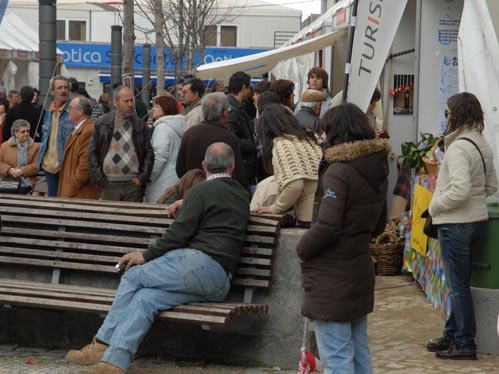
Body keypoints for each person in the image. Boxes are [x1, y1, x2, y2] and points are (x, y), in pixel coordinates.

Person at [64, 142, 250, 374]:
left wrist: (145, 254)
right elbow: (220, 202)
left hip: (200, 264)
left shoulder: (200, 192)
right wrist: (187, 201)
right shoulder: (242, 194)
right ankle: (114, 363)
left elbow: (177, 235)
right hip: (220, 282)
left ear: (204, 165)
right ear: (232, 168)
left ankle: (100, 344)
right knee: (146, 299)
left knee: (133, 276)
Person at [296, 103, 390, 374]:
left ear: (336, 133)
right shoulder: (377, 166)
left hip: (332, 276)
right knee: (359, 353)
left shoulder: (339, 170)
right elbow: (379, 223)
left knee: (337, 358)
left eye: (325, 131)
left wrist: (301, 248)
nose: (322, 137)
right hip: (359, 269)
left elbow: (327, 225)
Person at [426, 92, 498, 360]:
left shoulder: (457, 148)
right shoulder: (482, 144)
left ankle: (465, 343)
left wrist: (433, 208)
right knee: (461, 284)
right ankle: (452, 335)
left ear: (457, 114)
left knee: (458, 288)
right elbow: (491, 186)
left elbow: (460, 190)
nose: (445, 117)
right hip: (477, 221)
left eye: (447, 113)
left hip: (456, 224)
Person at [254, 104, 322, 226]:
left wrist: (274, 208)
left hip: (308, 215)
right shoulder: (310, 137)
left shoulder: (282, 144)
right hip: (326, 208)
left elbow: (295, 185)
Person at [88, 85, 154, 202]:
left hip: (133, 185)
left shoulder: (140, 125)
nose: (130, 105)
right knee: (109, 219)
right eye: (126, 101)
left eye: (131, 100)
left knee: (131, 219)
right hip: (109, 183)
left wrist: (142, 178)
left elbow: (149, 153)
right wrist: (100, 179)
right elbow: (92, 153)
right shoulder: (102, 123)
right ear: (115, 102)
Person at [176, 92, 247, 188]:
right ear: (225, 114)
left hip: (191, 189)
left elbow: (180, 169)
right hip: (221, 192)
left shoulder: (189, 134)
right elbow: (238, 174)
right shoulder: (229, 138)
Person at [144, 94, 186, 203]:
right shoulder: (178, 126)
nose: (153, 109)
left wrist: (149, 178)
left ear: (166, 108)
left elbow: (160, 157)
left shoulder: (163, 128)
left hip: (162, 182)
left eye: (157, 106)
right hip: (175, 178)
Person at [37, 76, 73, 197]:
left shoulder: (73, 111)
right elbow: (45, 137)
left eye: (66, 87)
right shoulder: (49, 111)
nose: (63, 90)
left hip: (65, 167)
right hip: (48, 167)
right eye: (59, 88)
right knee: (53, 202)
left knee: (65, 204)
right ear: (52, 91)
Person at [57, 97, 99, 199]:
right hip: (75, 192)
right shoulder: (80, 129)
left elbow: (85, 166)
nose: (68, 111)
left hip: (79, 194)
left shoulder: (88, 131)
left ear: (80, 111)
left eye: (70, 108)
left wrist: (72, 187)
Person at [227, 71, 257, 188]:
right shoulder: (234, 110)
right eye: (249, 88)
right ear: (244, 87)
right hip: (242, 166)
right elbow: (230, 139)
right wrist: (251, 144)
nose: (250, 92)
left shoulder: (237, 107)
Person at [0, 119, 40, 194]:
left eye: (28, 131)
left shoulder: (35, 146)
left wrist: (21, 171)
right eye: (23, 131)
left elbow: (36, 165)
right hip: (7, 181)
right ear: (15, 133)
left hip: (27, 181)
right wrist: (10, 170)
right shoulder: (5, 146)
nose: (26, 133)